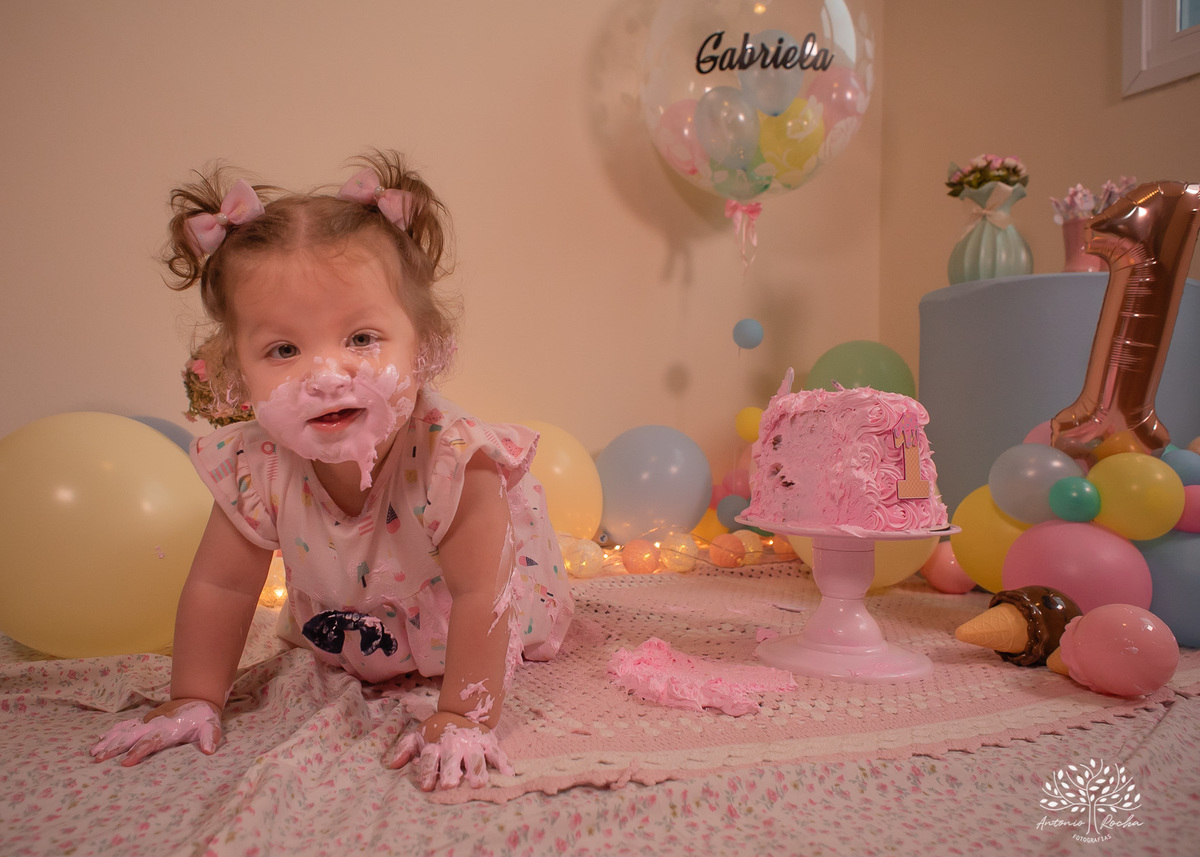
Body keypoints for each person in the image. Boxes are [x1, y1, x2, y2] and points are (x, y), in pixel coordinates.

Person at [91, 150, 573, 790]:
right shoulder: (257, 463)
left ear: (423, 347)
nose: (325, 375)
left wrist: (461, 715)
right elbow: (223, 588)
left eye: (362, 339)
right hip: (355, 624)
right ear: (237, 370)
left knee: (492, 598)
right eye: (283, 349)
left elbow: (485, 593)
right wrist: (195, 697)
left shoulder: (452, 459)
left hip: (480, 618)